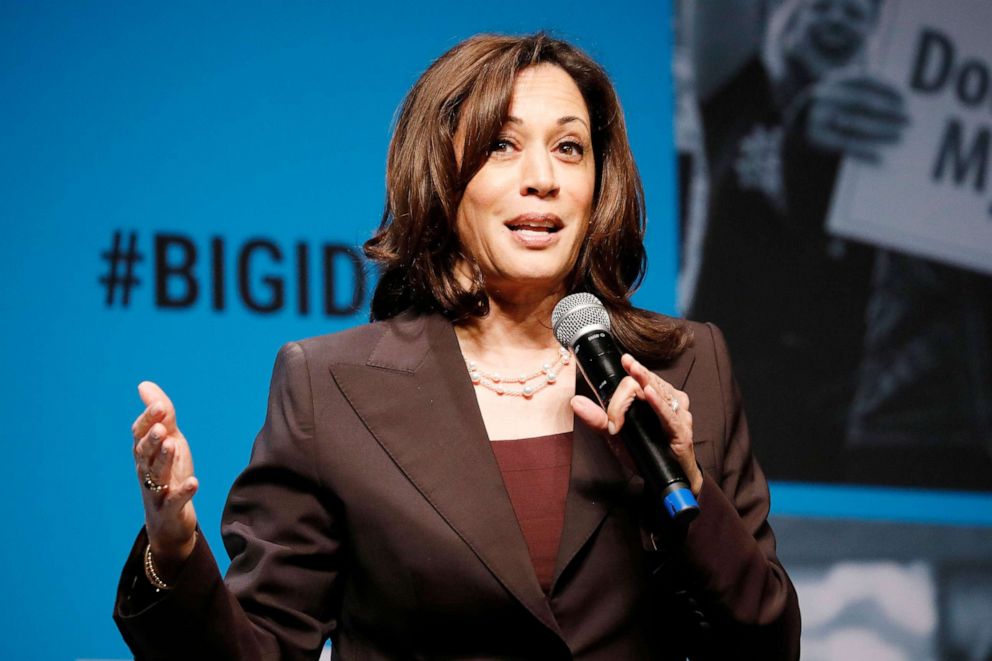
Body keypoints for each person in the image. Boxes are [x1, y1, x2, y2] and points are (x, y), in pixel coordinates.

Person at [115, 33, 800, 659]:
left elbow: (766, 644)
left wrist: (691, 493)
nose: (544, 178)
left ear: (601, 183)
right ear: (443, 180)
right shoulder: (330, 387)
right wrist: (174, 551)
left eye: (570, 147)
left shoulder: (684, 366)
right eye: (502, 145)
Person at [680, 0, 908, 483]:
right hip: (720, 390)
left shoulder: (890, 139)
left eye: (857, 12)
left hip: (834, 415)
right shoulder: (739, 98)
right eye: (821, 5)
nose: (838, 20)